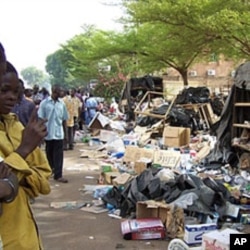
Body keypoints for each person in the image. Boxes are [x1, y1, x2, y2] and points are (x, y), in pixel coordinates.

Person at [0, 59, 52, 250]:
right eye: (4, 90)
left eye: (15, 92)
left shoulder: (18, 127)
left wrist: (17, 176)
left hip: (27, 235)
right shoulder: (25, 139)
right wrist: (23, 151)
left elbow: (44, 182)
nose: (11, 97)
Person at [38, 84, 69, 183]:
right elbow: (40, 119)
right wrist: (41, 134)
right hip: (48, 133)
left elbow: (64, 119)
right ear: (54, 91)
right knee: (49, 154)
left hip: (59, 133)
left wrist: (66, 134)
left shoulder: (62, 104)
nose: (61, 93)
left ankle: (58, 175)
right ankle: (52, 169)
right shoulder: (44, 103)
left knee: (59, 155)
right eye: (59, 91)